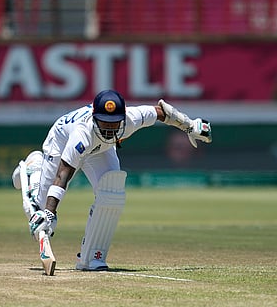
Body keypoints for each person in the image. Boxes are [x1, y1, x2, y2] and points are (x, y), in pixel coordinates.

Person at [12, 89, 212, 271]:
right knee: (38, 213)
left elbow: (163, 112)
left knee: (112, 190)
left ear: (123, 117)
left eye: (114, 122)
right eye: (104, 122)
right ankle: (33, 168)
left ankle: (91, 258)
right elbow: (63, 174)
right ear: (94, 118)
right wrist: (49, 212)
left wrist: (190, 125)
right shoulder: (81, 134)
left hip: (100, 150)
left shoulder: (133, 118)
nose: (109, 128)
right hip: (61, 142)